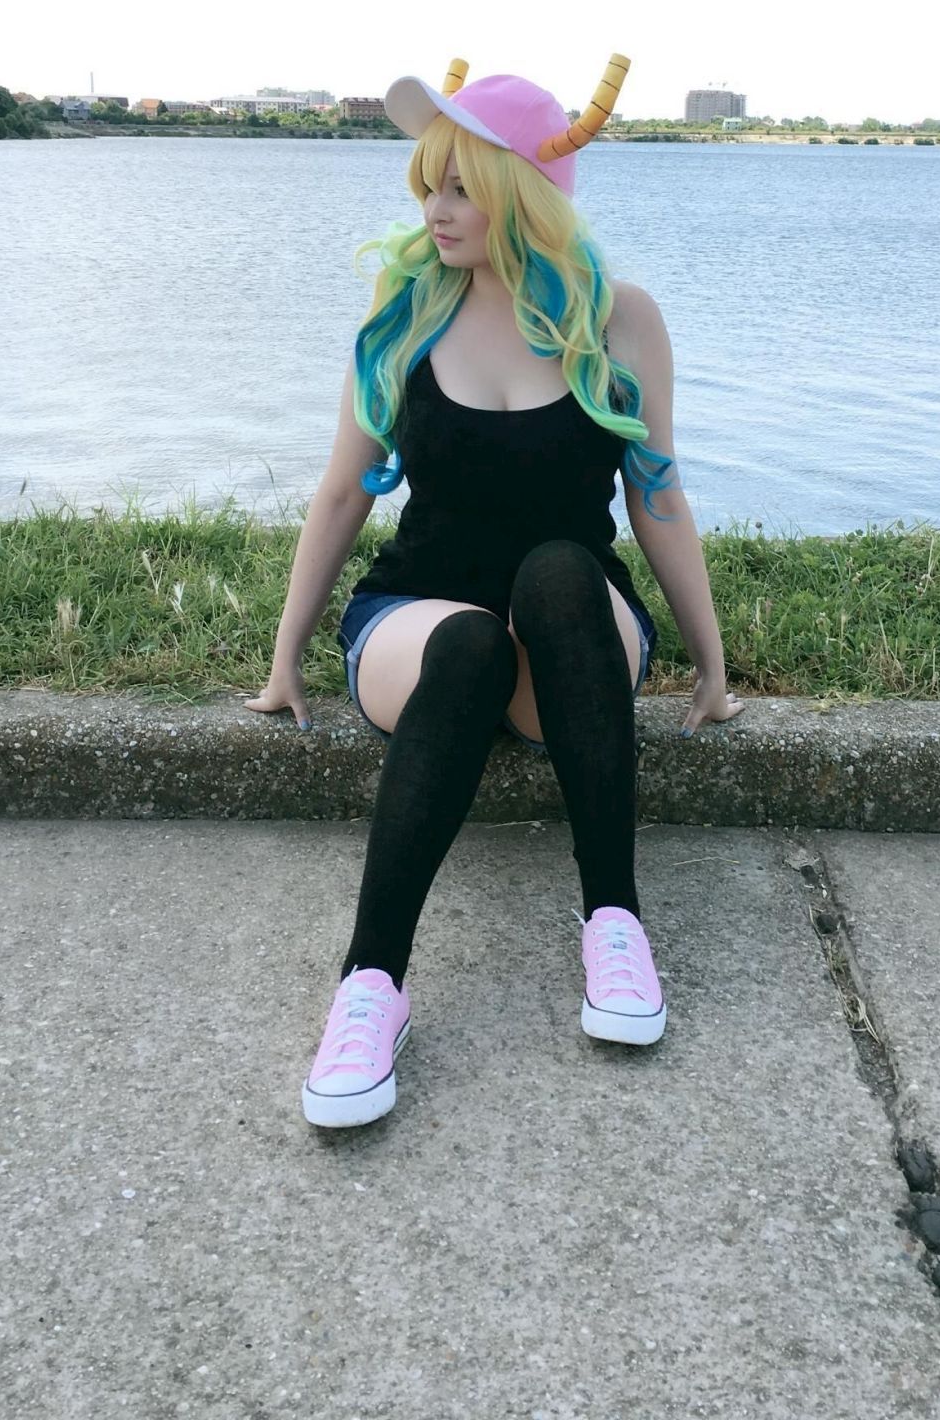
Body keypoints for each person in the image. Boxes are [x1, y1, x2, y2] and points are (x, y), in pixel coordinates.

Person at [245, 55, 745, 1128]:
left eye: (462, 186)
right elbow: (341, 493)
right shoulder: (406, 314)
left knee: (559, 568)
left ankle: (614, 925)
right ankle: (369, 988)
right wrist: (285, 657)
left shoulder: (620, 320)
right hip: (420, 624)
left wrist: (709, 663)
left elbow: (657, 498)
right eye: (428, 183)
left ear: (525, 194)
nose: (434, 209)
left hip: (570, 638)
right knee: (469, 643)